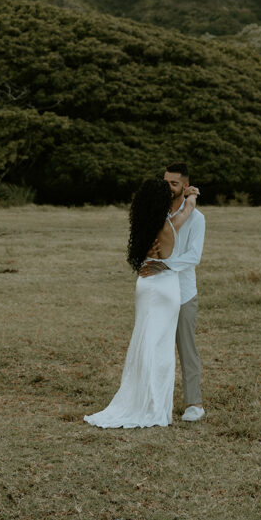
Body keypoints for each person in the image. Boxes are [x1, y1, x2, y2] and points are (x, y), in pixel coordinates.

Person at [84, 177, 199, 428]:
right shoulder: (169, 225)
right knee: (161, 348)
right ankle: (153, 405)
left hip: (145, 286)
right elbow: (189, 209)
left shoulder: (141, 226)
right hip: (166, 286)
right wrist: (192, 194)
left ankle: (140, 399)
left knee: (145, 340)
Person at [139, 162, 206, 422]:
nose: (168, 187)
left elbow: (193, 257)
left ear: (186, 187)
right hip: (156, 290)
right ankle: (152, 400)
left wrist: (163, 264)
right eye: (165, 182)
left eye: (174, 184)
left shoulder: (197, 219)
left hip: (183, 291)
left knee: (186, 348)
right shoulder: (155, 212)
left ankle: (194, 404)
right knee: (153, 346)